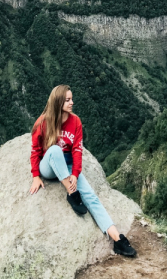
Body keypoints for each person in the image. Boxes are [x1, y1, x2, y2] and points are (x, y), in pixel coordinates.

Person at [29, 84, 137, 257]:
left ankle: (118, 240)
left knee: (91, 198)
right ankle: (72, 193)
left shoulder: (75, 121)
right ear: (58, 103)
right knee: (56, 150)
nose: (72, 103)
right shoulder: (43, 122)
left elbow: (77, 150)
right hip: (49, 166)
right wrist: (36, 175)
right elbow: (35, 151)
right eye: (67, 100)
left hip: (68, 165)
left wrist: (75, 174)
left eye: (71, 99)